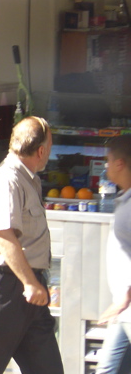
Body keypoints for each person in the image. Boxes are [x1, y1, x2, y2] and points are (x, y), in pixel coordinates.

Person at [0, 116, 64, 374]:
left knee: (47, 368)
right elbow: (4, 237)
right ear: (41, 151)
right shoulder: (8, 180)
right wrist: (28, 283)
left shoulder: (27, 178)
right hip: (8, 286)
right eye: (49, 148)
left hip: (27, 287)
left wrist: (33, 283)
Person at [95, 135, 131, 374]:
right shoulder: (125, 201)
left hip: (126, 306)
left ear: (120, 163)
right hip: (124, 308)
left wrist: (125, 297)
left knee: (108, 369)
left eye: (108, 160)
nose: (105, 166)